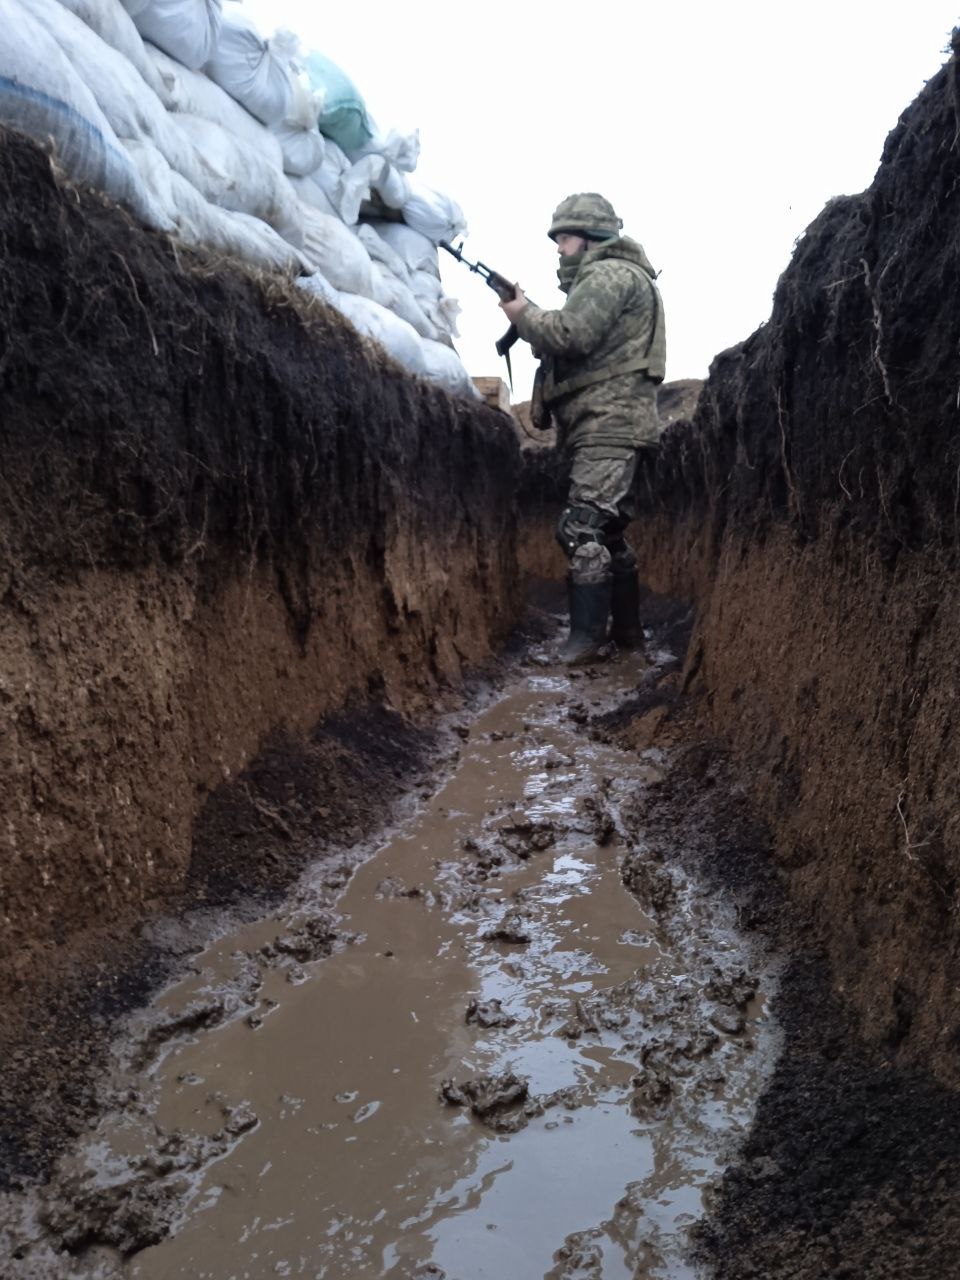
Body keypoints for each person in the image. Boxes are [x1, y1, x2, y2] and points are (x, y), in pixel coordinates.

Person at [500, 193, 666, 664]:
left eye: (565, 238)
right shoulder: (619, 275)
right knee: (608, 533)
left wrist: (523, 316)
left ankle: (585, 642)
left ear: (591, 240)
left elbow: (571, 335)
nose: (559, 249)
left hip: (608, 424)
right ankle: (629, 636)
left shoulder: (607, 273)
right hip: (615, 424)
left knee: (581, 529)